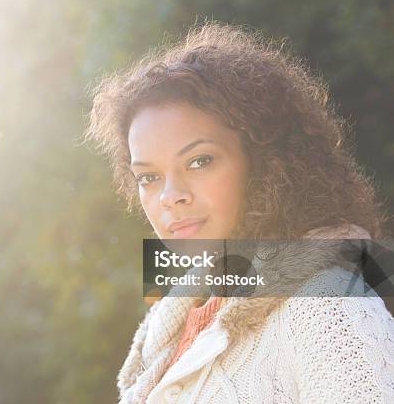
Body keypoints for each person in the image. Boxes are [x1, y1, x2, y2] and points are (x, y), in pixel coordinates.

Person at [84, 22, 394, 403]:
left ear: (265, 163)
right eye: (148, 177)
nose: (170, 196)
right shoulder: (166, 322)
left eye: (199, 161)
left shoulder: (327, 303)